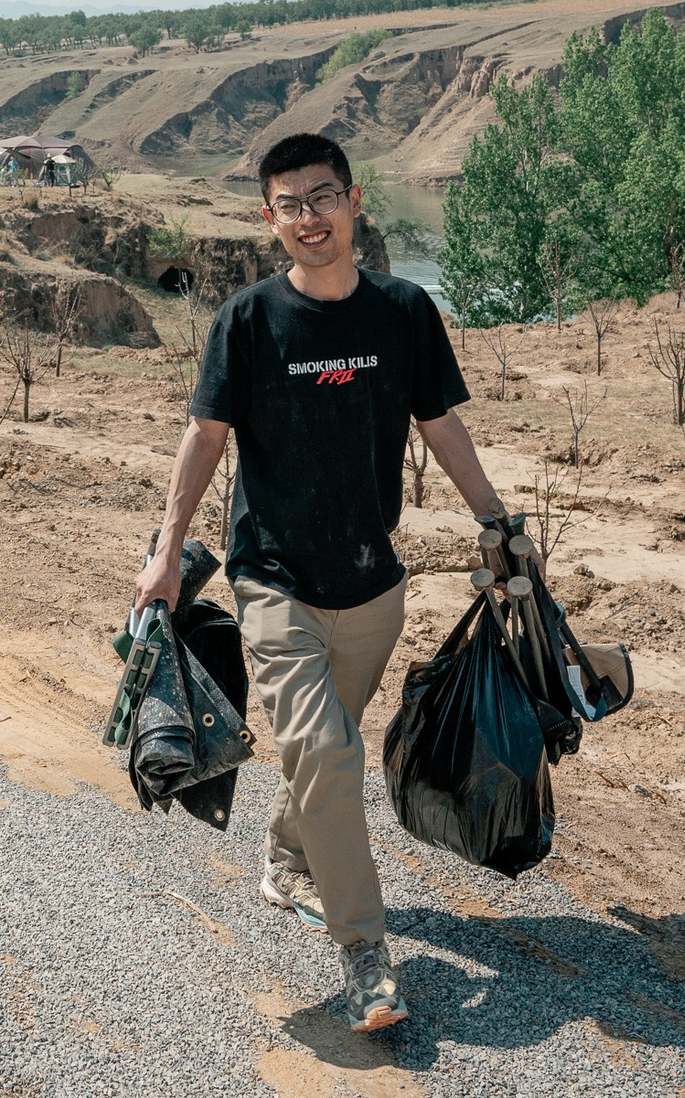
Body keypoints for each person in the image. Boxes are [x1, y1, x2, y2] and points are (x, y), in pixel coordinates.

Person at [135, 131, 525, 1035]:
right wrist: (166, 550)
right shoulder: (248, 322)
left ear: (355, 201)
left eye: (323, 197)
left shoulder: (403, 312)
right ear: (270, 219)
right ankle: (365, 955)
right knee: (329, 752)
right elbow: (204, 439)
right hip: (273, 581)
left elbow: (441, 422)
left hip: (372, 585)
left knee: (324, 750)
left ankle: (286, 857)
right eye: (290, 204)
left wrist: (497, 519)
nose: (309, 217)